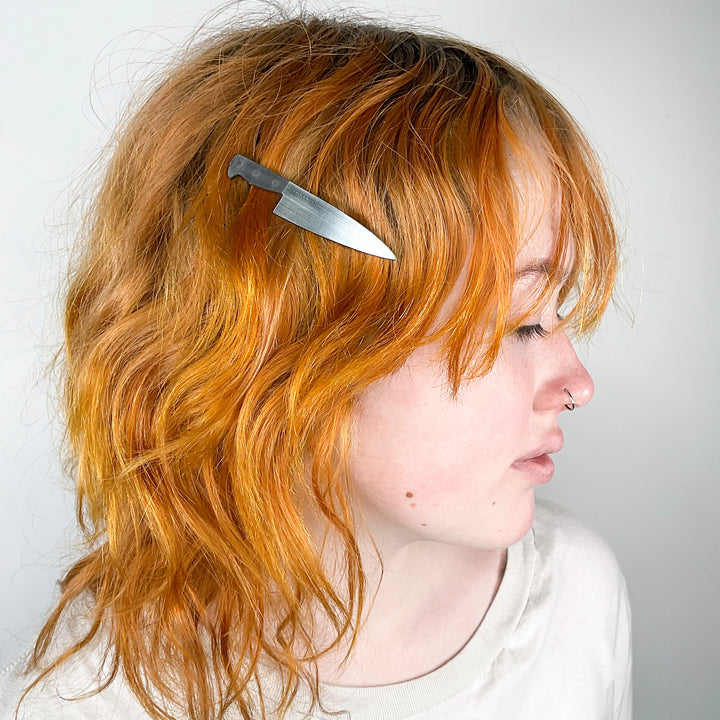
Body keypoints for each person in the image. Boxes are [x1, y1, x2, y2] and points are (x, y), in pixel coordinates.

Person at [0, 9, 631, 720]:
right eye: (518, 324)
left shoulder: (578, 595)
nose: (578, 385)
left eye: (557, 314)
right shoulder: (92, 701)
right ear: (287, 346)